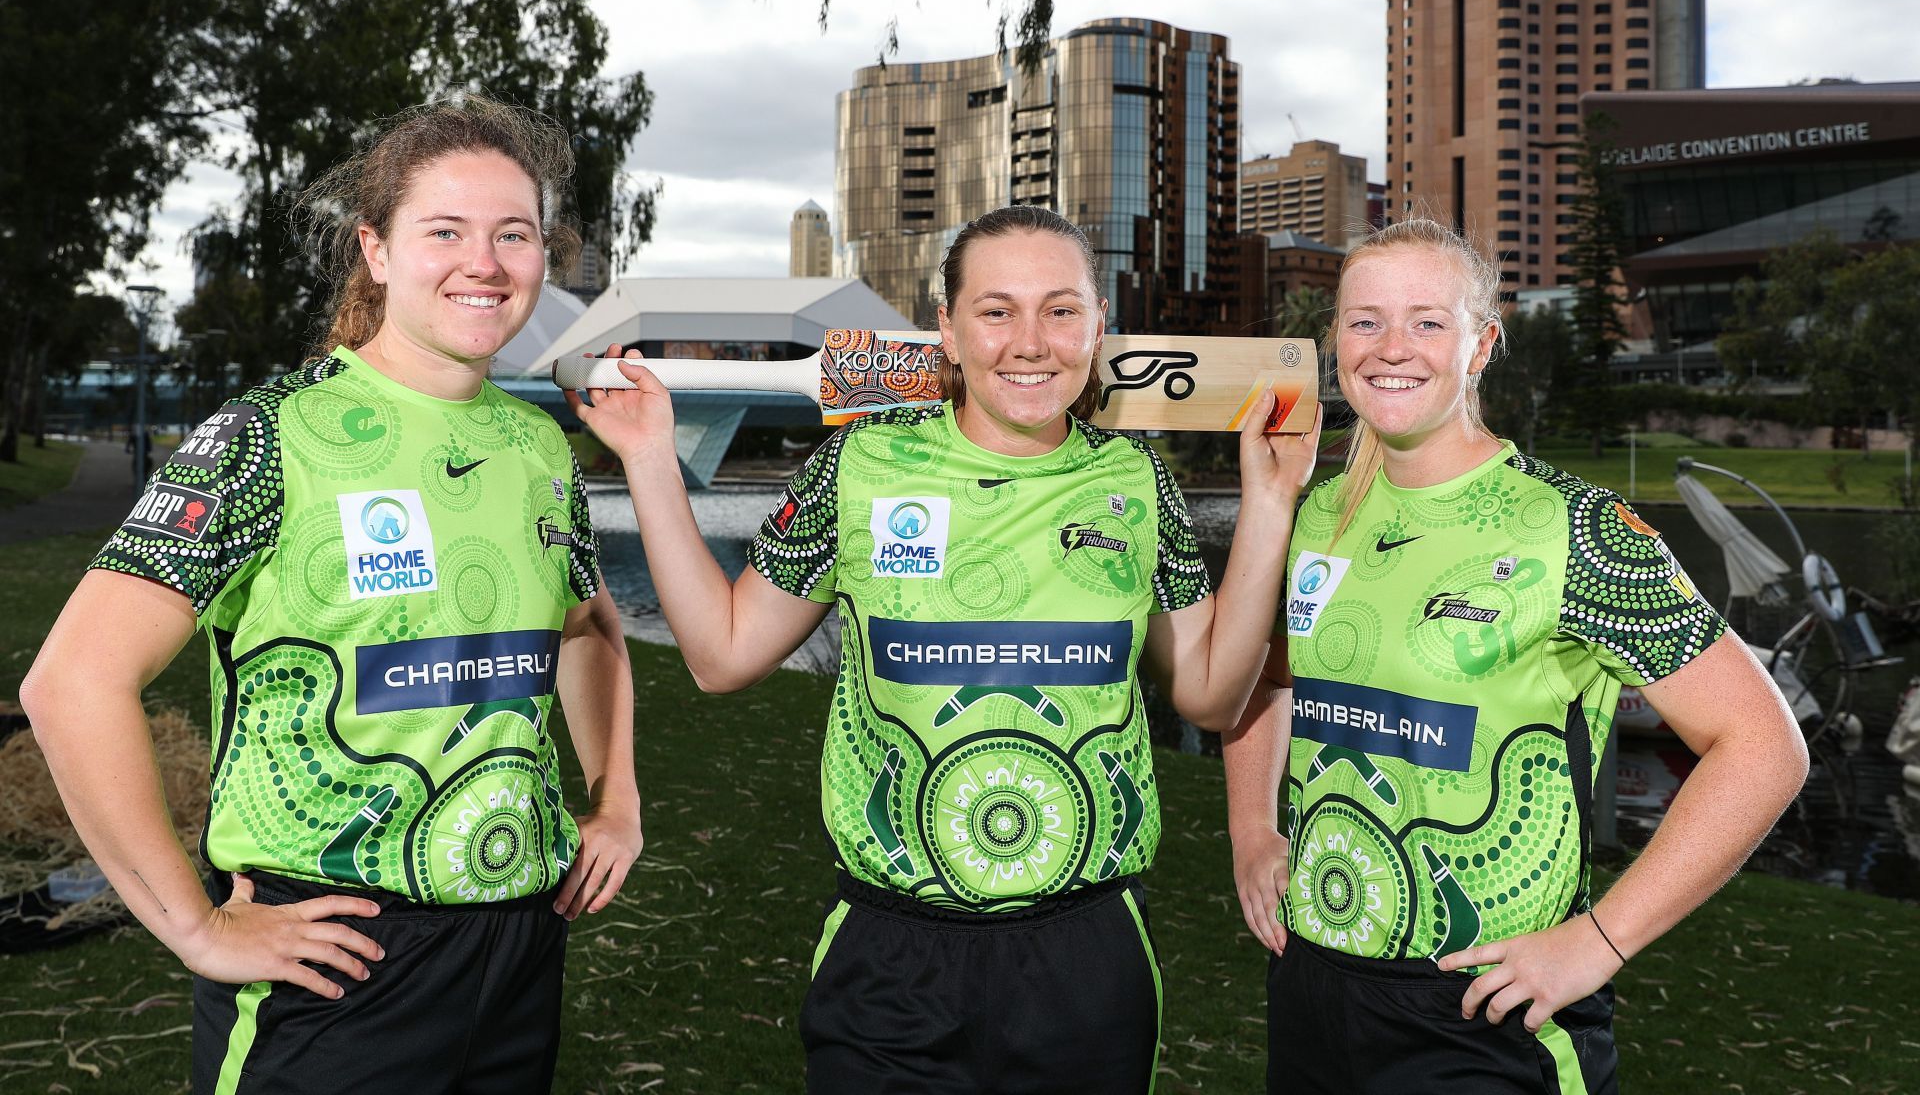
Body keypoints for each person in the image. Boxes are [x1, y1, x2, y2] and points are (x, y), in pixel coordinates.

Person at [567, 205, 1321, 1093]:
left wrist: (1270, 506)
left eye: (1061, 309)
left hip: (1088, 953)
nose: (1030, 342)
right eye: (996, 311)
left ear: (1099, 327)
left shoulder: (1134, 478)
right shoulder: (859, 465)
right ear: (949, 334)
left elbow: (1207, 696)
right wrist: (651, 457)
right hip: (892, 954)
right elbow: (720, 655)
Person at [22, 97, 642, 1095]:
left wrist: (617, 798)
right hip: (337, 955)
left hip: (521, 943)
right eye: (444, 230)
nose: (482, 261)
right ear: (378, 250)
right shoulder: (268, 436)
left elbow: (586, 627)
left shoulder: (538, 445)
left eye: (512, 234)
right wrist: (196, 923)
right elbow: (74, 682)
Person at [1222, 218, 1809, 1094]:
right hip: (1313, 987)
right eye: (1364, 320)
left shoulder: (1576, 527)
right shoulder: (1311, 512)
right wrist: (1249, 830)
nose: (1391, 348)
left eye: (1428, 321)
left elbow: (1764, 748)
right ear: (1334, 341)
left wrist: (1598, 943)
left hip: (1482, 1012)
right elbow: (1265, 682)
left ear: (1482, 344)